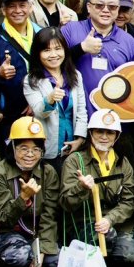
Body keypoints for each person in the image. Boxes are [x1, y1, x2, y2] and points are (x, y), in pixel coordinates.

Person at [0, 116, 60, 267]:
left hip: (37, 230)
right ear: (12, 149)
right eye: (23, 148)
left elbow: (50, 214)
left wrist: (44, 248)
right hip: (8, 230)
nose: (30, 154)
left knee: (56, 260)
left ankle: (36, 265)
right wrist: (23, 197)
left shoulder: (48, 172)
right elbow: (3, 217)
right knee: (19, 257)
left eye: (36, 149)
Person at [60, 109, 134, 264]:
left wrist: (110, 219)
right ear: (90, 133)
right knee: (107, 236)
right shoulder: (75, 161)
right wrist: (81, 188)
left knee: (128, 255)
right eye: (99, 132)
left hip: (114, 220)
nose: (104, 137)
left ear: (117, 136)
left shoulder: (123, 162)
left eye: (110, 132)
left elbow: (129, 202)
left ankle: (107, 259)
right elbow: (65, 203)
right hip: (84, 221)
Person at [61, 0, 134, 119]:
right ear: (89, 7)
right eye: (99, 5)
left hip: (116, 120)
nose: (106, 10)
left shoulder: (128, 40)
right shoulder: (70, 30)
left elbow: (133, 81)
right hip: (77, 117)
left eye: (112, 6)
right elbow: (52, 64)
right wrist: (81, 48)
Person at [0, 0, 40, 152]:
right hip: (9, 114)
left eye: (22, 5)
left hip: (41, 108)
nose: (18, 10)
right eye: (12, 6)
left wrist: (38, 101)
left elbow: (54, 70)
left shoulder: (42, 34)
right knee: (13, 158)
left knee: (40, 156)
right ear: (3, 10)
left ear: (30, 7)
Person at [23, 27, 87, 174]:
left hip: (73, 146)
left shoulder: (75, 75)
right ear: (38, 53)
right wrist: (50, 99)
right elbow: (39, 112)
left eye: (58, 49)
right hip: (48, 147)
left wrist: (80, 138)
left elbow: (81, 111)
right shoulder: (31, 80)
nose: (53, 55)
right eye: (46, 50)